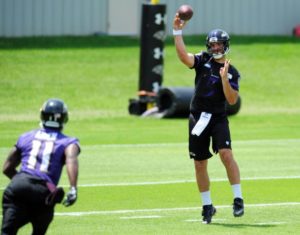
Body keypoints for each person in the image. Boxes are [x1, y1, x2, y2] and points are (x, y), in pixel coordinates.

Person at [173, 14, 244, 224]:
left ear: (225, 45)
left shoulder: (232, 71)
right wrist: (177, 32)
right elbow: (184, 57)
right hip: (197, 117)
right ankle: (207, 206)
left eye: (219, 45)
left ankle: (238, 199)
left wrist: (224, 80)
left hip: (218, 117)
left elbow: (231, 100)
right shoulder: (203, 60)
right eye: (212, 45)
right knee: (199, 163)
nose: (215, 48)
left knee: (226, 154)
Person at [1, 98, 80, 235]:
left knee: (7, 232)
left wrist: (23, 180)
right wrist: (73, 188)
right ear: (64, 118)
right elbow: (71, 159)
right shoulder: (68, 142)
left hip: (17, 186)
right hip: (43, 191)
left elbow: (7, 168)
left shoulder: (26, 136)